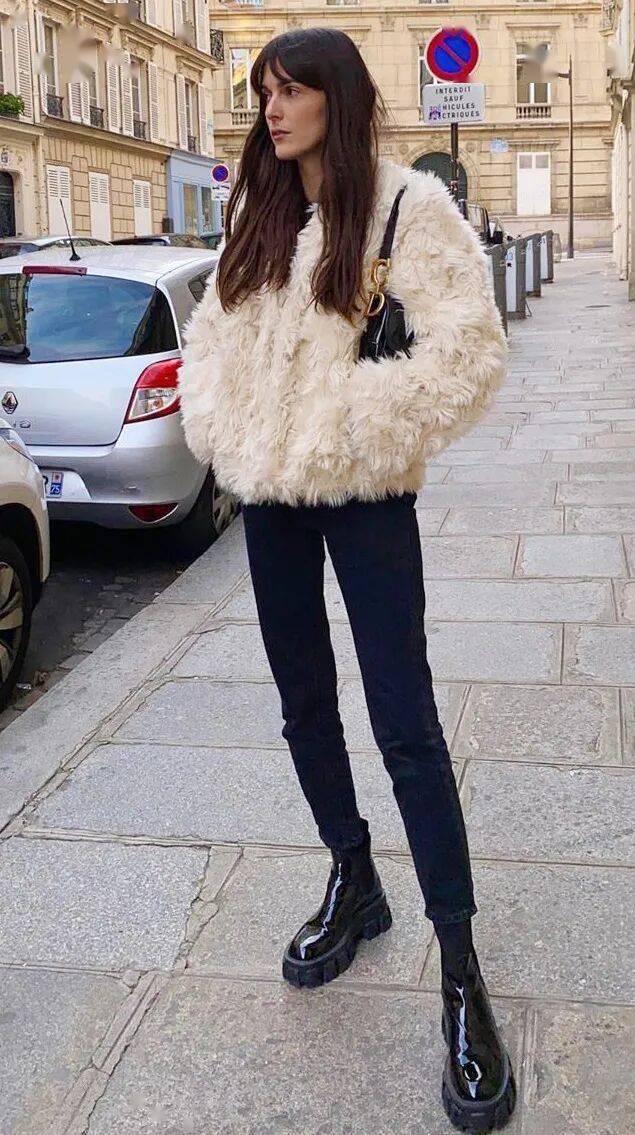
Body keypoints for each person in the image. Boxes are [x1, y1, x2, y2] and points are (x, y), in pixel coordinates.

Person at [178, 26, 514, 1134]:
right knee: (301, 704)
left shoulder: (407, 207)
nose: (272, 109)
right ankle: (353, 876)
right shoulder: (258, 209)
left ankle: (459, 972)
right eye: (263, 92)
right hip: (271, 493)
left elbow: (467, 353)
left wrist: (344, 424)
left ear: (338, 98)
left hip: (364, 492)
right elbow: (213, 340)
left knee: (403, 720)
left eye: (292, 90)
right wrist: (231, 427)